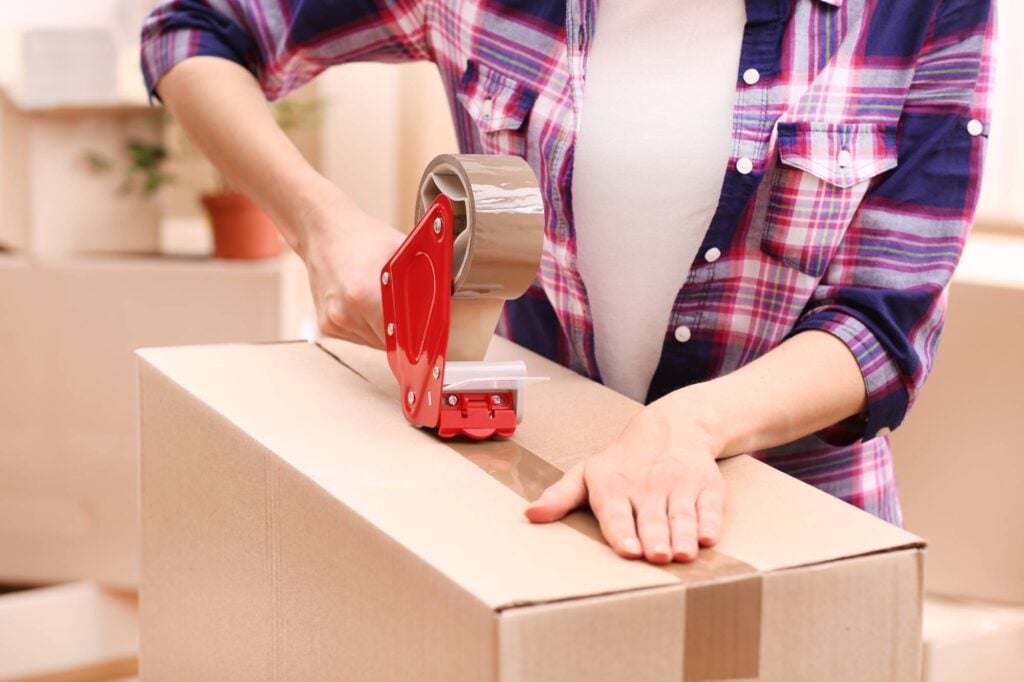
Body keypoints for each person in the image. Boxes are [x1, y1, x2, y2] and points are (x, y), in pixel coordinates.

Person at [141, 0, 995, 565]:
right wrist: (321, 227)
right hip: (531, 516)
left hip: (802, 532)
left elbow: (884, 329)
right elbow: (194, 28)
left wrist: (686, 427)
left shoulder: (916, 11)